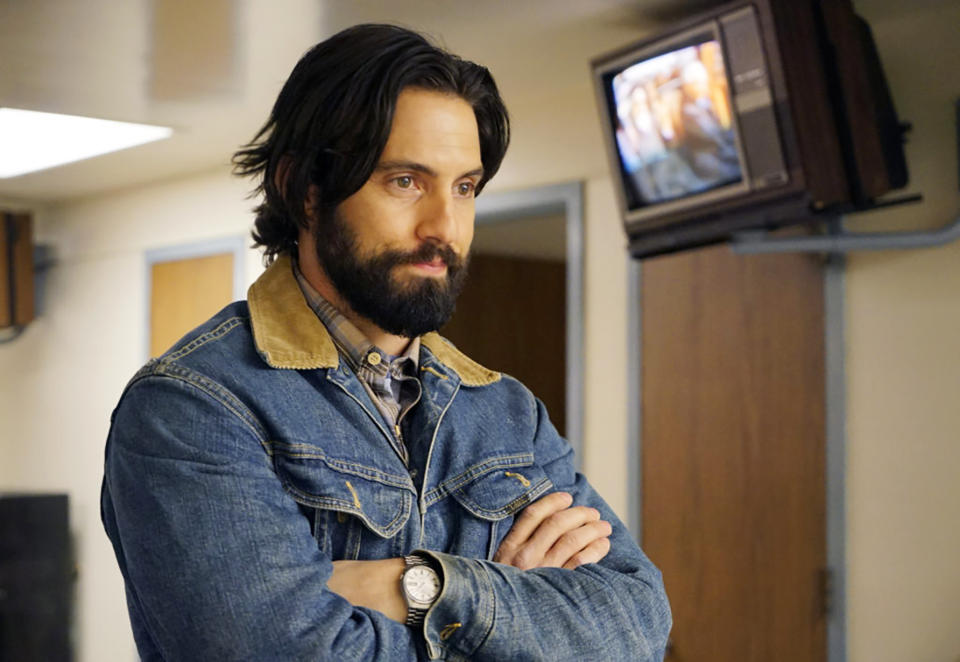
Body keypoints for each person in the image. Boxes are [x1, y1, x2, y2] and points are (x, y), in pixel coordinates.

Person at [101, 24, 671, 662]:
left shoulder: (506, 413)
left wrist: (426, 587)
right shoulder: (194, 409)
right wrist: (520, 613)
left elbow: (635, 626)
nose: (444, 228)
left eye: (464, 187)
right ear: (305, 190)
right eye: (405, 182)